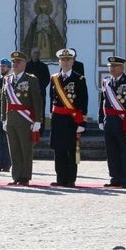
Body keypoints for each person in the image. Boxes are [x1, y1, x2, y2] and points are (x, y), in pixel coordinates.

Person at [98, 56, 126, 188]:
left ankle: (125, 179)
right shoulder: (106, 81)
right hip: (110, 122)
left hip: (125, 122)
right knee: (112, 152)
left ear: (122, 67)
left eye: (115, 66)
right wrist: (101, 119)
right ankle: (114, 177)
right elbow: (103, 102)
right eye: (110, 66)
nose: (111, 68)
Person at [0, 51, 43, 186]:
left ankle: (25, 177)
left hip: (25, 119)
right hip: (11, 118)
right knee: (14, 149)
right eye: (13, 62)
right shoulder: (7, 79)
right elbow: (4, 100)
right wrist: (3, 118)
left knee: (25, 149)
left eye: (18, 62)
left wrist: (37, 120)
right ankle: (16, 175)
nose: (15, 64)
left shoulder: (31, 79)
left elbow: (37, 100)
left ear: (24, 64)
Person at [49, 48, 88, 187]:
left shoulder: (79, 78)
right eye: (63, 60)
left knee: (71, 149)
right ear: (59, 62)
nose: (65, 62)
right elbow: (51, 99)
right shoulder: (54, 78)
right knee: (58, 149)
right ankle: (60, 177)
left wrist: (82, 121)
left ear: (72, 61)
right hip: (58, 119)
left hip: (72, 119)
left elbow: (83, 100)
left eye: (68, 60)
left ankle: (71, 178)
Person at [25, 47, 50, 134]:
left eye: (38, 53)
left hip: (40, 93)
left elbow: (47, 79)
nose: (36, 55)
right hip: (28, 93)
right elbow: (24, 79)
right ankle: (29, 129)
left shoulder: (44, 66)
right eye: (35, 53)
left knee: (40, 110)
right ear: (31, 54)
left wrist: (39, 88)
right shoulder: (26, 66)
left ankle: (40, 130)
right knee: (28, 109)